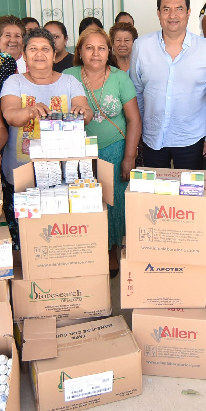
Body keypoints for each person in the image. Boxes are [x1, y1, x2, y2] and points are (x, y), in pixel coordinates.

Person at [64, 27, 142, 274]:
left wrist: (129, 157)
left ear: (108, 51)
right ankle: (86, 249)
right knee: (84, 205)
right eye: (89, 48)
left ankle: (110, 250)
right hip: (77, 153)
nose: (95, 54)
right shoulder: (68, 76)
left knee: (112, 205)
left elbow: (134, 120)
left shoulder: (120, 78)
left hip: (114, 150)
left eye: (101, 48)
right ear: (79, 51)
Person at [129, 0, 206, 170]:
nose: (173, 15)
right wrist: (137, 133)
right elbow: (136, 92)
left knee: (189, 195)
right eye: (166, 9)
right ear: (158, 13)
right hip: (152, 137)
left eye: (179, 9)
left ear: (188, 12)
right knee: (155, 196)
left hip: (192, 138)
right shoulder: (141, 46)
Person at [0, 28, 91, 183]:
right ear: (25, 55)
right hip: (22, 170)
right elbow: (10, 115)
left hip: (63, 169)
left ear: (54, 55)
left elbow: (87, 113)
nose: (39, 54)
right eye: (33, 49)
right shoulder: (14, 82)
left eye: (45, 49)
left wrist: (82, 112)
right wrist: (29, 112)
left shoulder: (70, 82)